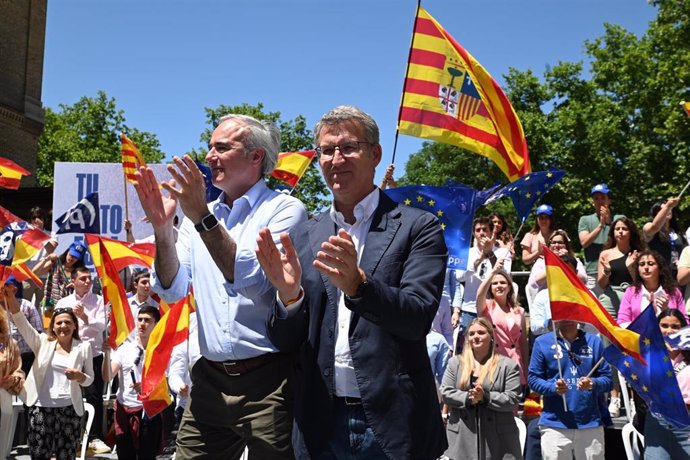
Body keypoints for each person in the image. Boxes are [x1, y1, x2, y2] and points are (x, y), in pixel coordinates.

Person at [256, 105, 448, 459]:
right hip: (320, 424)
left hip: (394, 424)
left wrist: (360, 286)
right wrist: (288, 298)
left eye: (348, 147)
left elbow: (418, 317)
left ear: (375, 154)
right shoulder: (302, 235)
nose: (335, 159)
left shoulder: (417, 227)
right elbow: (284, 341)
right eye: (327, 150)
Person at [134, 113, 307, 459]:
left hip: (268, 381)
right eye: (210, 147)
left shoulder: (285, 209)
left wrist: (200, 216)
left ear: (256, 157)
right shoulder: (201, 214)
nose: (210, 156)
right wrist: (163, 231)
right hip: (209, 380)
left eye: (222, 147)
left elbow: (247, 280)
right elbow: (170, 288)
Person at [7, 292, 94, 460]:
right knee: (39, 455)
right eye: (59, 323)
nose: (63, 326)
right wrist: (10, 298)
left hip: (69, 410)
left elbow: (90, 379)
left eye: (68, 322)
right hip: (40, 409)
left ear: (75, 325)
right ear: (53, 327)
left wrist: (79, 376)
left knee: (66, 456)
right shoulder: (42, 342)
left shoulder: (84, 348)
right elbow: (21, 322)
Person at [528, 320, 613, 460]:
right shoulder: (542, 342)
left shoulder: (594, 342)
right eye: (563, 315)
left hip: (589, 424)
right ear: (555, 318)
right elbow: (533, 379)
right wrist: (553, 387)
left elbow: (608, 381)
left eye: (571, 315)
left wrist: (592, 383)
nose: (568, 320)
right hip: (554, 424)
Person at [441, 318, 523, 460]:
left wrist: (486, 397)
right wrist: (468, 398)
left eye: (481, 332)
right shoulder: (455, 363)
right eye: (471, 334)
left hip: (499, 442)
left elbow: (513, 399)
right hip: (462, 439)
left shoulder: (508, 365)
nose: (475, 337)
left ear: (491, 336)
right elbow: (446, 392)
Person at [53, 265, 109, 454]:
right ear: (73, 282)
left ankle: (94, 438)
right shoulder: (63, 302)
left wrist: (84, 316)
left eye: (89, 278)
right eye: (83, 278)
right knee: (67, 394)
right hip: (69, 355)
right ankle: (71, 435)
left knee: (94, 396)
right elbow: (56, 327)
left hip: (93, 354)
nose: (87, 281)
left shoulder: (100, 301)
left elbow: (102, 326)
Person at [102, 305, 166, 459]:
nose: (142, 324)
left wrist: (147, 387)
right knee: (125, 455)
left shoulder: (161, 350)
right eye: (140, 319)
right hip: (125, 409)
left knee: (147, 455)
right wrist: (106, 354)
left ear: (156, 324)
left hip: (149, 410)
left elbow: (167, 382)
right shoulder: (125, 349)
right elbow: (107, 376)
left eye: (147, 321)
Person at [643, 309, 690, 459]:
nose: (669, 331)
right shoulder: (647, 355)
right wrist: (661, 357)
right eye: (664, 325)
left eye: (675, 326)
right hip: (658, 421)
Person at [476, 259, 529, 388]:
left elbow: (523, 343)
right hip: (493, 362)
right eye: (495, 283)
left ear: (509, 286)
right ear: (490, 287)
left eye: (503, 283)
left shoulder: (519, 311)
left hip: (514, 362)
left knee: (513, 404)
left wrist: (526, 369)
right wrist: (493, 272)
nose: (499, 285)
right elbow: (479, 295)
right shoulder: (486, 307)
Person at [455, 217, 503, 337]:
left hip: (494, 310)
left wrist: (490, 253)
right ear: (473, 233)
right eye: (477, 230)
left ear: (491, 232)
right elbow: (460, 277)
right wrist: (480, 258)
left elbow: (503, 276)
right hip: (470, 309)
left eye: (484, 229)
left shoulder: (501, 252)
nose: (481, 233)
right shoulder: (466, 253)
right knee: (468, 347)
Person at [617, 250, 687, 326]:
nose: (646, 267)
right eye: (642, 264)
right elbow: (622, 322)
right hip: (640, 336)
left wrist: (667, 311)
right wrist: (648, 314)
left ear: (660, 268)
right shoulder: (631, 291)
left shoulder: (674, 292)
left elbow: (685, 323)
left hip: (668, 336)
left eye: (651, 264)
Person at [578, 184, 624, 295]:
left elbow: (624, 240)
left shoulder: (620, 219)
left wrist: (609, 223)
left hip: (616, 271)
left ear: (609, 200)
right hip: (593, 272)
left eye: (603, 198)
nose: (600, 201)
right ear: (592, 201)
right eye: (596, 198)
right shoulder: (585, 220)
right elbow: (584, 242)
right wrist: (601, 225)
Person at [597, 217, 644, 318]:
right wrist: (607, 271)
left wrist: (631, 267)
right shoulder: (605, 254)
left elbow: (641, 282)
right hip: (611, 299)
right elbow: (601, 284)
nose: (620, 232)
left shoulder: (639, 255)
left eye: (624, 229)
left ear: (631, 232)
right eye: (617, 229)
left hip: (633, 297)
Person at [527, 229, 586, 305]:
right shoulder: (541, 262)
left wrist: (567, 262)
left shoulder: (575, 261)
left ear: (566, 246)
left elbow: (584, 280)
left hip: (571, 299)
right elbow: (533, 283)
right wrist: (556, 263)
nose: (557, 245)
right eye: (554, 243)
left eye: (560, 243)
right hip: (548, 300)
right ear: (549, 245)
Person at [530, 255, 579, 337]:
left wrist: (581, 321)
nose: (564, 276)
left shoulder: (588, 296)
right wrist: (550, 323)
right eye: (560, 272)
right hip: (553, 343)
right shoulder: (542, 296)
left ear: (576, 273)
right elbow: (534, 328)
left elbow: (596, 327)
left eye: (568, 272)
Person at [2, 276, 43, 375]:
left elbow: (38, 332)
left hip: (27, 358)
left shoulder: (27, 306)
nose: (2, 288)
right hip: (4, 359)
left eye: (6, 286)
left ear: (15, 289)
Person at [35, 239, 88, 311]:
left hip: (70, 307)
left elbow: (86, 292)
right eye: (71, 254)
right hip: (51, 306)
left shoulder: (80, 272)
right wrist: (46, 258)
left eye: (75, 256)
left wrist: (77, 287)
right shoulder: (55, 263)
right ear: (67, 251)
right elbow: (34, 273)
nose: (72, 258)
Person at [21, 206, 58, 304]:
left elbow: (51, 249)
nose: (36, 220)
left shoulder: (52, 235)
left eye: (39, 218)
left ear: (44, 220)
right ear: (30, 220)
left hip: (44, 277)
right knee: (25, 307)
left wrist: (39, 234)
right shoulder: (24, 235)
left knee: (41, 309)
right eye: (33, 218)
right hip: (27, 277)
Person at [643, 198, 686, 274]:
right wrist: (668, 206)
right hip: (658, 274)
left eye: (670, 208)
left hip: (677, 274)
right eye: (663, 209)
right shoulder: (648, 227)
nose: (668, 210)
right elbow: (655, 227)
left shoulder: (677, 231)